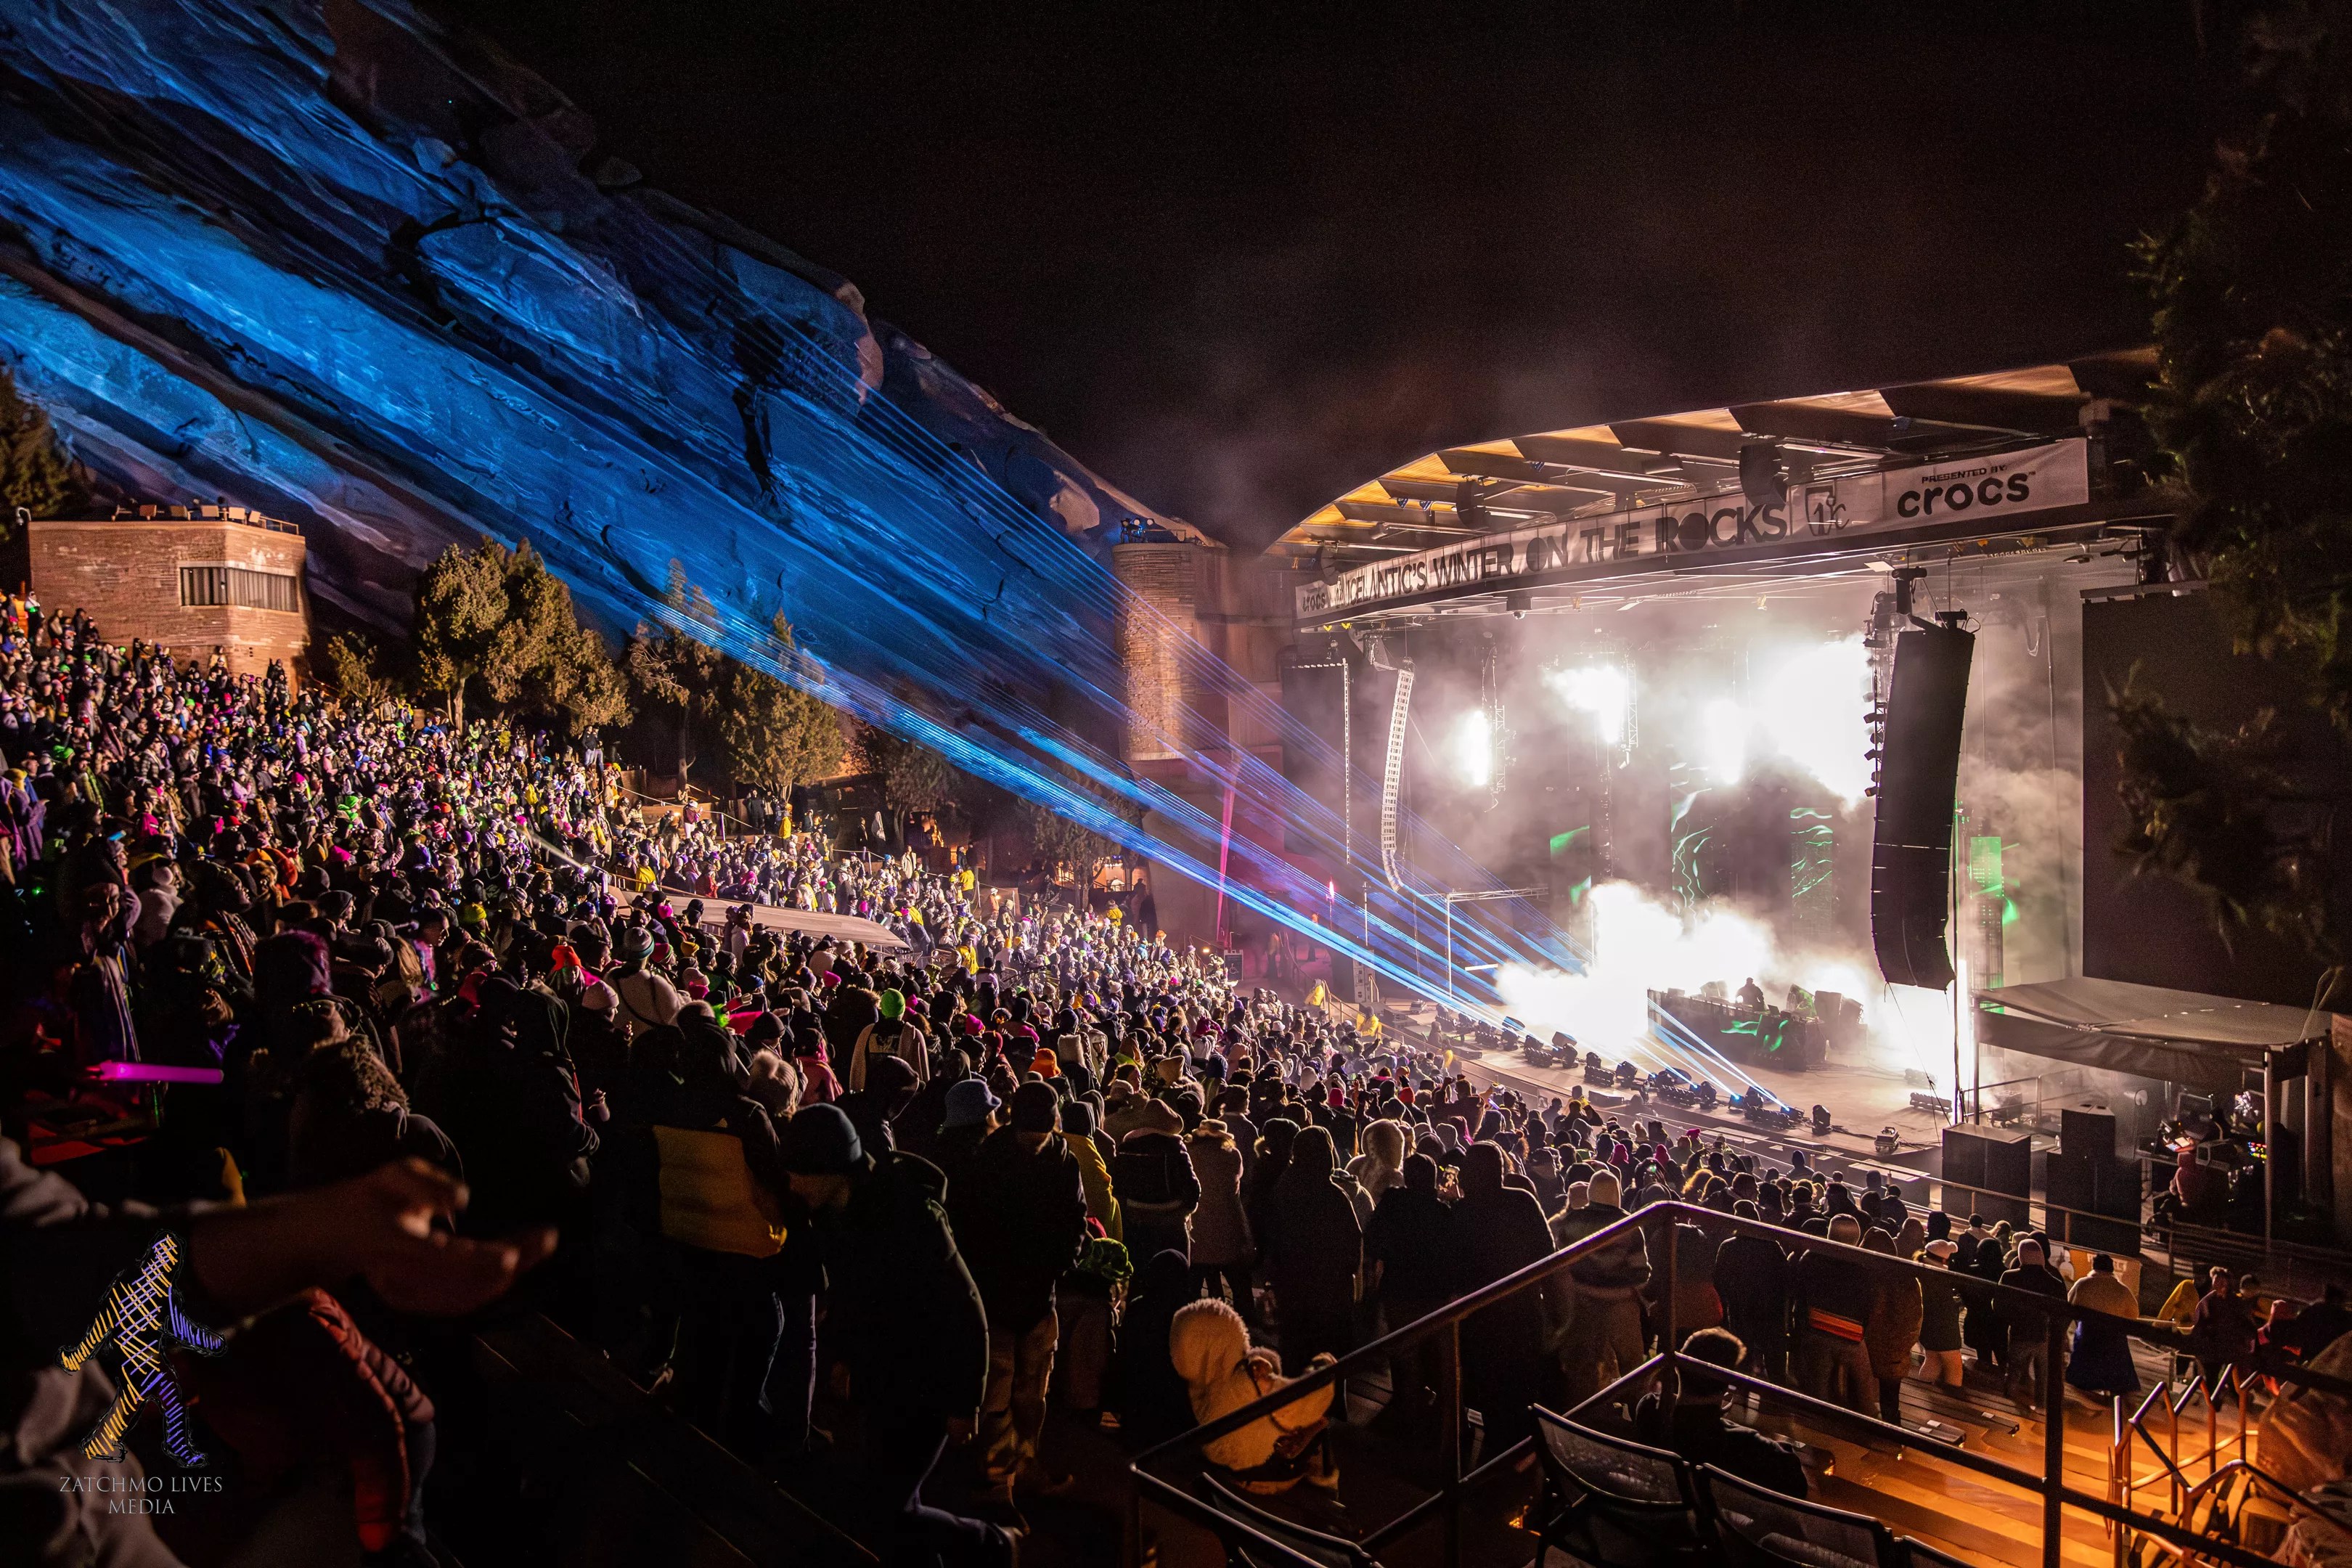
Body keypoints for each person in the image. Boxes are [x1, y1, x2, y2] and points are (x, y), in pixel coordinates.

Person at [777, 1104, 1012, 1567]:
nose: (791, 1184)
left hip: (928, 1379)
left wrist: (966, 1403)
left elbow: (965, 1305)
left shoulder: (908, 1213)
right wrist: (845, 1355)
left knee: (889, 1506)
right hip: (883, 1374)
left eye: (800, 1173)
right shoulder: (829, 1213)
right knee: (885, 1504)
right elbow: (848, 1289)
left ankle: (990, 1543)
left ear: (832, 1170)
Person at [951, 1081, 1088, 1501]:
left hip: (1023, 1296)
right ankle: (999, 1483)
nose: (1034, 1141)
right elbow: (1075, 1225)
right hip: (1009, 1297)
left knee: (1022, 1394)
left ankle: (1017, 1468)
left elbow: (1075, 1224)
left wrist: (1058, 1262)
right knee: (1009, 1395)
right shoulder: (999, 1160)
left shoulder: (1051, 1162)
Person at [1169, 1298, 1337, 1495]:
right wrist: (1325, 1364)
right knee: (1320, 1416)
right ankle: (1325, 1480)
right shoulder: (1250, 1384)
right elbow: (1314, 1399)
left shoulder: (1196, 1385)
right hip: (1259, 1476)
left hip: (1221, 1467)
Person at [1453, 1142, 1558, 1453]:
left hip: (1479, 1316)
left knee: (1485, 1387)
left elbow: (1453, 1265)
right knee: (1518, 1392)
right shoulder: (1523, 1201)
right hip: (1521, 1311)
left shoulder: (1461, 1210)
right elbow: (1547, 1255)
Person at [1633, 1328, 1809, 1498]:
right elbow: (1799, 1485)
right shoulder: (1745, 1444)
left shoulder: (1651, 1410)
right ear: (1728, 1384)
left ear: (1679, 1368)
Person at [1259, 1124, 1362, 1372]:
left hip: (1293, 1287)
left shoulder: (1284, 1188)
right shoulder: (1335, 1196)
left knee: (1295, 1358)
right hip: (1330, 1292)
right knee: (1331, 1365)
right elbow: (1353, 1244)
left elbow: (1271, 1237)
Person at [1553, 1167, 1651, 1406]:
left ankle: (1583, 1418)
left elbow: (1558, 1262)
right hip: (1621, 1304)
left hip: (1581, 1300)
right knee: (1632, 1365)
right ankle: (1638, 1415)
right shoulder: (1630, 1224)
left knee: (1584, 1364)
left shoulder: (1571, 1220)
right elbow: (1641, 1272)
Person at [1793, 1215, 1876, 1417]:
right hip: (1852, 1333)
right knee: (1865, 1387)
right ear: (1857, 1238)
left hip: (1818, 1328)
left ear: (1830, 1234)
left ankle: (1819, 1429)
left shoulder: (1812, 1257)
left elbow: (1800, 1295)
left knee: (1818, 1387)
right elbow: (1869, 1303)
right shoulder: (1865, 1265)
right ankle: (1874, 1428)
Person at [1715, 1204, 1792, 1385]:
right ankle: (1777, 1395)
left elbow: (1719, 1280)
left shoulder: (1728, 1246)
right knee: (1774, 1355)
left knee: (1743, 1350)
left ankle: (1742, 1390)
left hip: (1740, 1305)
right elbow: (1785, 1277)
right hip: (1770, 1306)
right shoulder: (1772, 1246)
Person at [1998, 1238, 2069, 1416]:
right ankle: (2041, 1409)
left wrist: (2011, 1320)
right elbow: (2063, 1311)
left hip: (2019, 1333)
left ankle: (2008, 1406)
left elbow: (1999, 1305)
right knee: (2043, 1376)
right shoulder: (2055, 1283)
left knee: (2013, 1371)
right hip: (2045, 1335)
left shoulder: (2009, 1277)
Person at [1861, 1228, 1922, 1424]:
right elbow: (1915, 1318)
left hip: (1869, 1346)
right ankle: (1892, 1434)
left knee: (1861, 1394)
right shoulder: (1908, 1279)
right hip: (1896, 1352)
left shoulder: (1869, 1278)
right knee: (1891, 1400)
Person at [2065, 1254, 2141, 1399]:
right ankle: (2115, 1400)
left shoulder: (2082, 1284)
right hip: (2113, 1339)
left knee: (2082, 1374)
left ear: (2094, 1267)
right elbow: (2134, 1314)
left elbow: (2070, 1306)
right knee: (2115, 1374)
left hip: (2087, 1337)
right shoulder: (2121, 1290)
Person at [2186, 1267, 2258, 1395]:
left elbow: (2245, 1323)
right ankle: (2214, 1403)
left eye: (2222, 1281)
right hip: (2211, 1347)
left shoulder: (2235, 1302)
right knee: (2212, 1377)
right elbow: (2199, 1322)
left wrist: (2247, 1339)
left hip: (2228, 1347)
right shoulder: (2207, 1300)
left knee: (2228, 1378)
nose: (2219, 1284)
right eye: (2216, 1280)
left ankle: (2226, 1400)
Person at [1915, 1238, 1967, 1388]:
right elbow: (1943, 1304)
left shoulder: (1921, 1269)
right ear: (1944, 1259)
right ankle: (1951, 1400)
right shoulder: (1940, 1277)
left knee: (1932, 1359)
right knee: (1954, 1366)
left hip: (1927, 1326)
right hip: (1944, 1330)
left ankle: (1923, 1391)